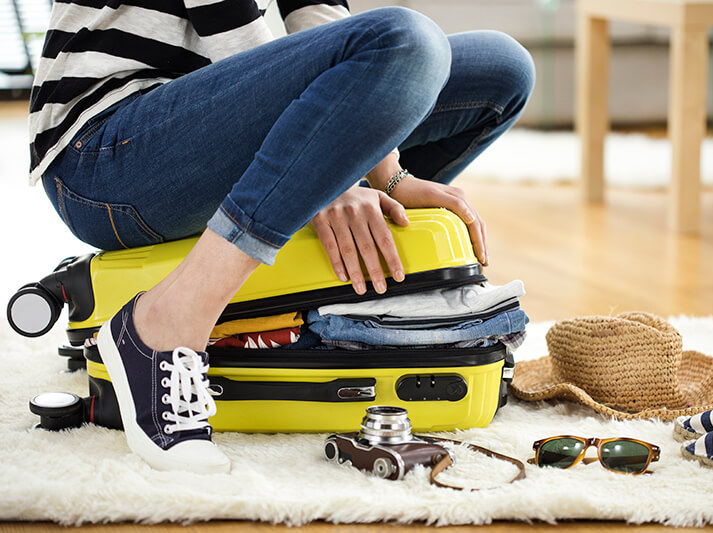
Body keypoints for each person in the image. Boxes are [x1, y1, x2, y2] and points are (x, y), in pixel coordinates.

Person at [29, 0, 534, 473]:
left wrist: (383, 172)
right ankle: (164, 323)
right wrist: (331, 170)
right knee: (405, 40)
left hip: (214, 128)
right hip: (107, 152)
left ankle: (350, 294)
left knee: (498, 68)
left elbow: (320, 17)